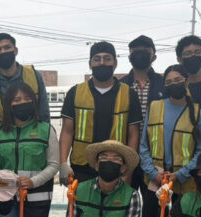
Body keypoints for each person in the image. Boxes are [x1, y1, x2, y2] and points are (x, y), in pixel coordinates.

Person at [139, 64, 201, 217]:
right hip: (155, 180)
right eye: (169, 82)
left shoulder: (196, 112)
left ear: (186, 81)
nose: (173, 84)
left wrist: (181, 174)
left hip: (184, 183)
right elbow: (144, 145)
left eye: (178, 80)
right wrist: (153, 173)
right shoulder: (155, 107)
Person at [0, 82, 59, 217]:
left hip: (37, 198)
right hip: (5, 197)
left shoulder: (46, 130)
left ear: (34, 102)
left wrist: (33, 181)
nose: (22, 102)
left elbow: (53, 164)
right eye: (17, 99)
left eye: (27, 98)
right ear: (8, 104)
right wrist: (2, 178)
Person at [59, 41, 143, 184]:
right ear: (90, 64)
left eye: (107, 58)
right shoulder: (75, 92)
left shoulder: (129, 94)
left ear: (115, 63)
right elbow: (67, 131)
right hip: (82, 167)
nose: (102, 63)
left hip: (116, 166)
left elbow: (133, 134)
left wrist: (129, 170)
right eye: (97, 59)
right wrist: (63, 163)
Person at [0, 32, 49, 122]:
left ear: (16, 51)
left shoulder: (33, 75)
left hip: (30, 129)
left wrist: (45, 129)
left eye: (7, 47)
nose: (3, 51)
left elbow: (43, 111)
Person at [121, 35, 165, 131]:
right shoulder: (120, 85)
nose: (140, 54)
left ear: (154, 57)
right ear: (129, 57)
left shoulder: (164, 84)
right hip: (126, 139)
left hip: (156, 139)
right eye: (136, 51)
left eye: (145, 51)